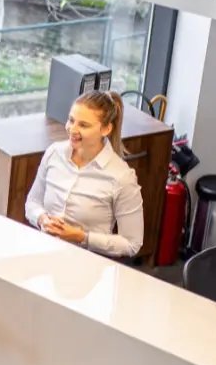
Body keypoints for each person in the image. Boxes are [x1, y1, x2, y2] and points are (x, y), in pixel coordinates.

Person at [25, 90, 145, 259]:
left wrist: (82, 237)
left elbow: (132, 244)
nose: (72, 129)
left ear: (106, 129)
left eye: (83, 125)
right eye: (71, 120)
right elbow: (32, 202)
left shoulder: (122, 177)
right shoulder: (54, 153)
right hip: (44, 255)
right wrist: (42, 218)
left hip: (89, 266)